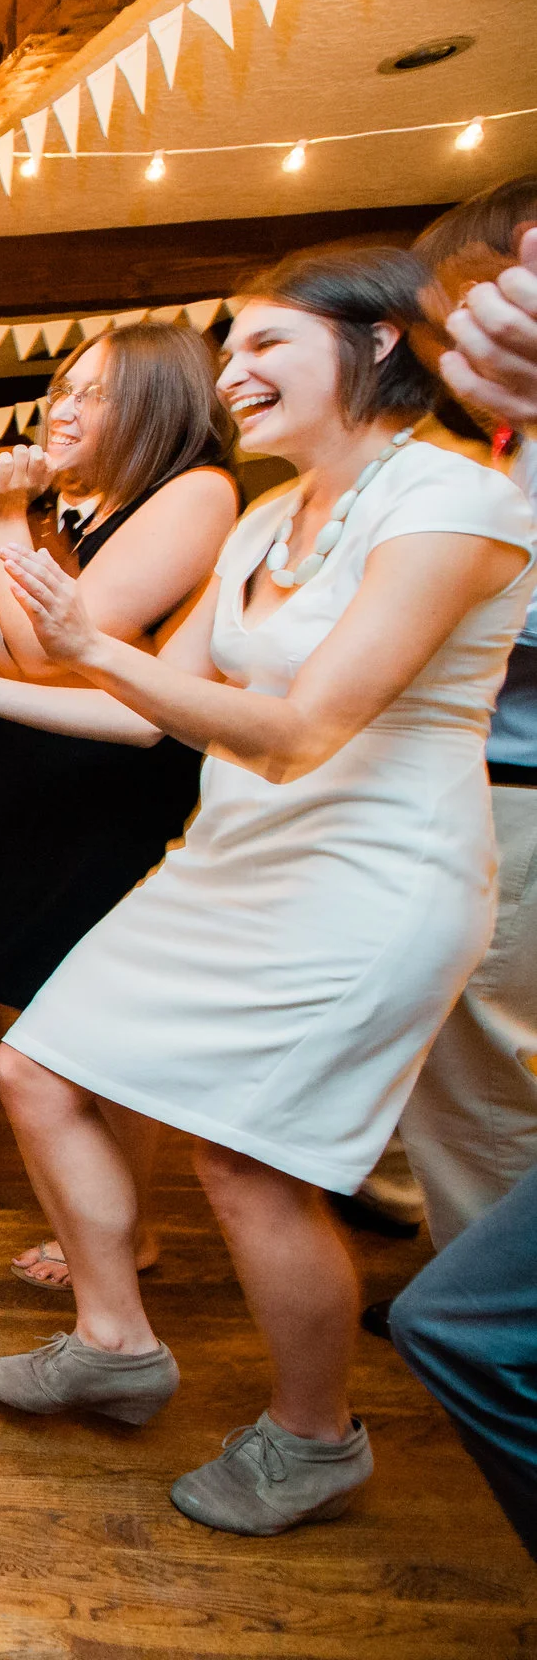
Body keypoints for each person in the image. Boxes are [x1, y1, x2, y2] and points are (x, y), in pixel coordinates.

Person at [0, 247, 537, 1535]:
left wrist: (81, 641)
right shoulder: (269, 521)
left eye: (266, 345)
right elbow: (143, 716)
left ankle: (313, 1436)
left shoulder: (455, 500)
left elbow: (294, 728)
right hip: (230, 861)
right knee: (36, 1067)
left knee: (248, 1164)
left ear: (380, 344)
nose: (235, 372)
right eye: (230, 352)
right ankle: (113, 1339)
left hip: (372, 879)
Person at [0, 326, 238, 1300]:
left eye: (90, 394)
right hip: (19, 751)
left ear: (154, 402)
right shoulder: (91, 505)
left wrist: (4, 515)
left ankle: (131, 1229)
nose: (59, 409)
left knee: (71, 1003)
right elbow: (22, 653)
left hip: (96, 778)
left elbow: (71, 648)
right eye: (60, 389)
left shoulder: (195, 491)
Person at [388, 179, 537, 1560]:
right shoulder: (497, 449)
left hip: (510, 793)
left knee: (489, 1065)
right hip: (463, 795)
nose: (457, 340)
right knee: (459, 1070)